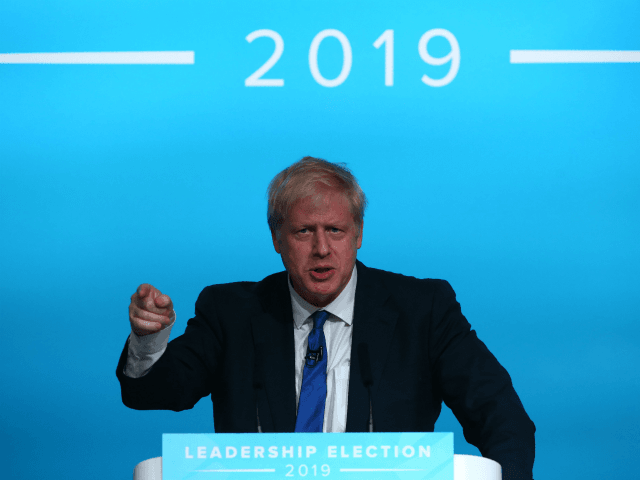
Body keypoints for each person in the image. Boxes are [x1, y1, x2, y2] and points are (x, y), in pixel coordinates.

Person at [116, 156, 535, 479]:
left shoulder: (422, 309)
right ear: (277, 239)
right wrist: (148, 339)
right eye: (304, 232)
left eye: (335, 230)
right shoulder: (232, 313)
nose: (321, 249)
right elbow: (153, 392)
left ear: (358, 234)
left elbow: (501, 415)